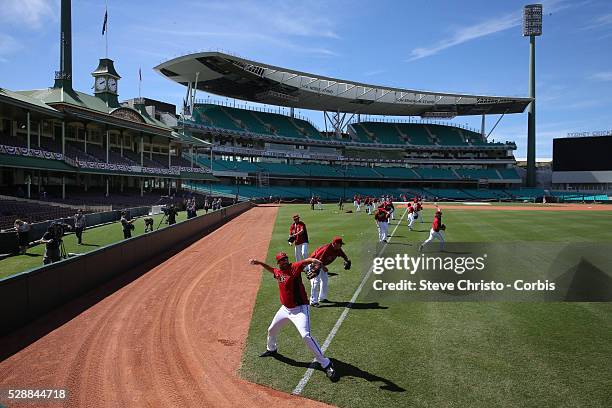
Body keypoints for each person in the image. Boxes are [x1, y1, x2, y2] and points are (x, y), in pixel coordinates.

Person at [249, 253, 338, 381]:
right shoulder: (278, 272)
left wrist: (315, 261)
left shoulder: (295, 267)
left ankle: (326, 363)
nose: (285, 261)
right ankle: (271, 349)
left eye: (286, 259)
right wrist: (259, 262)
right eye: (282, 260)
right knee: (271, 329)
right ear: (279, 262)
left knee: (305, 335)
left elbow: (306, 261)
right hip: (285, 309)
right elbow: (271, 270)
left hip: (300, 309)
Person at [308, 236, 351, 307]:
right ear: (335, 243)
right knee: (315, 282)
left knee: (325, 280)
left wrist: (347, 260)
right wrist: (323, 267)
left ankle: (322, 298)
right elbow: (317, 260)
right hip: (314, 264)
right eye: (340, 244)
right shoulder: (326, 249)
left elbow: (343, 255)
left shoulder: (338, 249)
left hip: (321, 264)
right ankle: (313, 301)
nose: (341, 246)